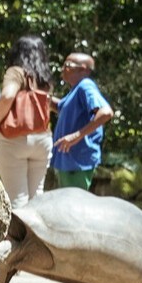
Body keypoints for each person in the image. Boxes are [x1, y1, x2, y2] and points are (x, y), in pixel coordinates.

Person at [0, 35, 55, 207]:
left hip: (14, 140)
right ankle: (36, 234)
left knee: (17, 200)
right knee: (36, 198)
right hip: (43, 140)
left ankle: (18, 235)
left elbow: (8, 95)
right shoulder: (45, 78)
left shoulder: (16, 72)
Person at [51, 50, 114, 189]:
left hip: (77, 160)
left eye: (67, 64)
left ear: (83, 69)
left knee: (72, 206)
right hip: (70, 160)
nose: (63, 68)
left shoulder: (85, 85)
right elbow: (59, 107)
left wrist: (76, 136)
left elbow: (106, 112)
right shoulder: (75, 90)